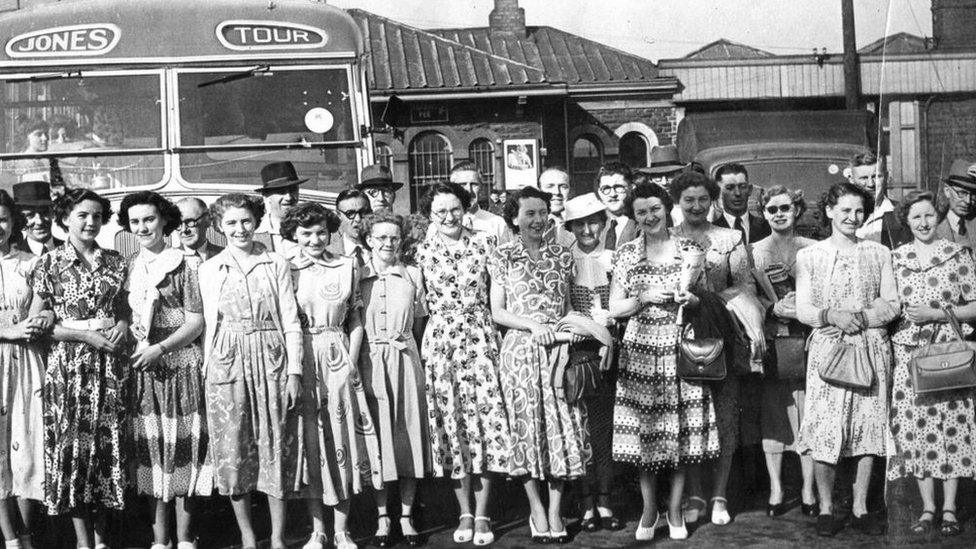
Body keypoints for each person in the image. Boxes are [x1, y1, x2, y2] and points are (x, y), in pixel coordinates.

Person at [609, 182, 720, 541]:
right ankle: (648, 509)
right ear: (634, 215)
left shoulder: (688, 248)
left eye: (655, 208)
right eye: (641, 211)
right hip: (640, 350)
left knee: (678, 433)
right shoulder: (626, 253)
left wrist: (691, 299)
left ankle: (674, 509)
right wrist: (641, 297)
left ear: (666, 208)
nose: (649, 216)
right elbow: (614, 307)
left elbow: (704, 300)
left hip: (678, 347)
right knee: (645, 433)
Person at [197, 193, 303, 549]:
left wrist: (295, 372)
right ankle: (247, 536)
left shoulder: (275, 262)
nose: (239, 229)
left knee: (275, 444)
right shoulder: (209, 268)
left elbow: (290, 319)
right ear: (218, 227)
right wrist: (206, 368)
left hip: (271, 355)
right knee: (232, 448)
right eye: (230, 223)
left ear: (256, 221)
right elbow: (208, 325)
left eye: (245, 221)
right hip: (227, 360)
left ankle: (277, 538)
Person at [795, 182, 898, 538]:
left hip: (870, 348)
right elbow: (805, 308)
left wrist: (863, 318)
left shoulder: (879, 253)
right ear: (828, 211)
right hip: (829, 348)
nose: (852, 218)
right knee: (826, 426)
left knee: (869, 426)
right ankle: (825, 508)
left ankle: (860, 507)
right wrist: (832, 315)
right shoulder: (810, 256)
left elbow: (892, 303)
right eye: (845, 211)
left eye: (858, 211)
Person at [488, 186, 589, 545]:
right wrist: (533, 326)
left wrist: (570, 331)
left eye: (543, 212)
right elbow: (498, 311)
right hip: (519, 353)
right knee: (526, 430)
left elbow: (569, 307)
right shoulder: (502, 256)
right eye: (529, 213)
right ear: (514, 218)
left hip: (557, 352)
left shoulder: (563, 255)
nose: (538, 219)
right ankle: (535, 508)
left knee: (561, 428)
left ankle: (556, 509)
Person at [32, 189, 129, 548]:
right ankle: (82, 543)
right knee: (74, 449)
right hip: (70, 366)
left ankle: (102, 541)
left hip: (110, 365)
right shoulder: (49, 264)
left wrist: (121, 324)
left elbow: (124, 310)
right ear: (66, 219)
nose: (91, 222)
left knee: (106, 448)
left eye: (97, 216)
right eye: (82, 216)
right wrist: (85, 337)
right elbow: (38, 324)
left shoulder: (117, 261)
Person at [281, 202, 381, 549]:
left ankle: (342, 529)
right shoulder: (286, 268)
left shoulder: (346, 265)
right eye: (306, 233)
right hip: (302, 357)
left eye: (321, 231)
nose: (315, 239)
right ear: (294, 234)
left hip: (338, 355)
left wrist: (350, 363)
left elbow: (355, 318)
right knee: (312, 443)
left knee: (341, 441)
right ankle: (317, 529)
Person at [415, 182, 510, 546]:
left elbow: (499, 295)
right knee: (452, 426)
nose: (449, 217)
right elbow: (421, 307)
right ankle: (464, 512)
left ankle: (483, 513)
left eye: (455, 209)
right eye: (440, 212)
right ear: (429, 215)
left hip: (481, 339)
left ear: (465, 208)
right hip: (442, 345)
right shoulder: (421, 252)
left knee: (484, 424)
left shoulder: (486, 242)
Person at [118, 192, 210, 549]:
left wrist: (161, 348)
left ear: (164, 221)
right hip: (143, 371)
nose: (143, 228)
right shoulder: (128, 265)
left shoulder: (184, 263)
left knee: (183, 447)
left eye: (150, 220)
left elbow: (196, 322)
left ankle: (185, 539)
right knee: (152, 452)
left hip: (178, 365)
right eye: (135, 221)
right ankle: (160, 540)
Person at [887, 190, 976, 537]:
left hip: (949, 354)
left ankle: (950, 507)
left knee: (952, 427)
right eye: (916, 217)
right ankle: (927, 508)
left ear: (937, 218)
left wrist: (937, 313)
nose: (923, 223)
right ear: (906, 221)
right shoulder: (897, 258)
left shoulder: (957, 255)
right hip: (910, 356)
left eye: (928, 216)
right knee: (917, 431)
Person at [670, 171, 752, 526]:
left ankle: (719, 495)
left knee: (724, 418)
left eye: (703, 199)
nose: (696, 206)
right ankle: (695, 494)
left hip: (719, 338)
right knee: (688, 421)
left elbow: (745, 287)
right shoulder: (665, 238)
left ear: (712, 200)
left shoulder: (730, 238)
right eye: (689, 200)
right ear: (678, 202)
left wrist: (705, 301)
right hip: (678, 338)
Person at [358, 212, 430, 548]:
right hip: (370, 362)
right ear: (369, 239)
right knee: (378, 437)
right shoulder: (357, 274)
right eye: (381, 237)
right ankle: (382, 518)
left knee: (407, 435)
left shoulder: (413, 273)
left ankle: (406, 515)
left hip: (404, 359)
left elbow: (418, 326)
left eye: (394, 237)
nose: (388, 243)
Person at [751, 186, 818, 518]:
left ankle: (808, 489)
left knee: (807, 414)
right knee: (775, 416)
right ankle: (776, 488)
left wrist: (803, 308)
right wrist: (771, 307)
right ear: (764, 213)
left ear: (797, 210)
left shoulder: (814, 249)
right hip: (772, 341)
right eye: (772, 209)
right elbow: (746, 296)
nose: (779, 214)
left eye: (785, 208)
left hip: (807, 340)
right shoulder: (754, 251)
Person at [561, 193, 620, 533]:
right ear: (570, 228)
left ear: (604, 222)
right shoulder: (565, 261)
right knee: (580, 429)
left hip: (613, 353)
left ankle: (606, 499)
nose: (587, 229)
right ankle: (585, 503)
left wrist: (609, 323)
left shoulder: (614, 259)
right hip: (579, 353)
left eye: (593, 222)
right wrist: (596, 329)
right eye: (580, 224)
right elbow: (564, 313)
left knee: (604, 430)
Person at [0, 190, 49, 549]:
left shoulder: (30, 262)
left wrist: (41, 317)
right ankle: (10, 538)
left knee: (28, 444)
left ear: (13, 221)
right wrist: (8, 330)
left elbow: (49, 306)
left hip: (26, 360)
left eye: (2, 218)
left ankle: (28, 536)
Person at [848, 151, 911, 249]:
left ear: (886, 176)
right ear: (851, 180)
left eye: (876, 176)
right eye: (863, 178)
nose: (870, 184)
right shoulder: (843, 215)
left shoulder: (902, 211)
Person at [448, 161, 511, 244]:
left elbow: (506, 255)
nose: (469, 190)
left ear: (481, 188)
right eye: (462, 184)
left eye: (474, 184)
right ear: (452, 189)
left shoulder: (497, 224)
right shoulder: (440, 225)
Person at [254, 161, 306, 257]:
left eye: (293, 189)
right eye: (281, 191)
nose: (289, 197)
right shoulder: (255, 233)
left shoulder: (313, 226)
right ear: (266, 196)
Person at [712, 163, 771, 244]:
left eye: (742, 186)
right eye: (730, 188)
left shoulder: (767, 227)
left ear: (750, 190)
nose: (738, 193)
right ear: (718, 192)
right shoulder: (712, 231)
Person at [594, 162, 638, 251]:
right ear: (599, 192)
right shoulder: (594, 226)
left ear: (632, 187)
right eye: (606, 188)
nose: (612, 194)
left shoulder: (641, 225)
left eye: (618, 187)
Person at [935, 158, 976, 251]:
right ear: (947, 191)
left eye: (973, 195)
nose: (968, 201)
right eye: (962, 193)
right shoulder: (933, 226)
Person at [11, 181, 61, 256]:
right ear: (19, 219)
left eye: (44, 213)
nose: (39, 221)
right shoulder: (14, 257)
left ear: (52, 213)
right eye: (30, 215)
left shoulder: (70, 249)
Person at [174, 198, 223, 269]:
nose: (184, 230)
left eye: (190, 221)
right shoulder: (166, 260)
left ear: (207, 221)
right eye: (178, 224)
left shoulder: (225, 256)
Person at [326, 189, 372, 265]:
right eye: (350, 213)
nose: (358, 219)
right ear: (338, 215)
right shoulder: (328, 253)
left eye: (363, 212)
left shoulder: (383, 249)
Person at [539, 168, 575, 247]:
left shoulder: (583, 226)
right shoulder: (518, 225)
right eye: (550, 186)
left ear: (571, 192)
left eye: (563, 186)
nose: (556, 192)